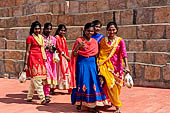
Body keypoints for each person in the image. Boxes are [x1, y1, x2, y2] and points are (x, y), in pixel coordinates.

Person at [71, 23, 107, 113]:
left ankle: (92, 105)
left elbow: (95, 54)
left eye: (91, 31)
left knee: (92, 82)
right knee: (82, 82)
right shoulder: (79, 40)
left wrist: (97, 65)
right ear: (84, 30)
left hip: (92, 64)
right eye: (88, 31)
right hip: (82, 63)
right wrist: (78, 46)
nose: (89, 32)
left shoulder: (94, 42)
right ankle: (79, 102)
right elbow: (74, 53)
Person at [97, 22, 130, 113]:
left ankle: (113, 100)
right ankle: (117, 105)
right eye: (110, 29)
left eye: (113, 30)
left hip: (118, 66)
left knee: (117, 86)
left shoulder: (120, 40)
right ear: (107, 30)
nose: (112, 31)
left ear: (116, 30)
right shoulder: (103, 41)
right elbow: (101, 53)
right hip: (106, 66)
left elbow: (124, 53)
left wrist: (126, 66)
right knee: (110, 85)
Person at [23, 21, 47, 105]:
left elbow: (43, 48)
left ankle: (29, 96)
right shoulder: (30, 38)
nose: (37, 30)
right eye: (36, 29)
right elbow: (27, 51)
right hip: (33, 59)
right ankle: (42, 98)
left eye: (39, 28)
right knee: (38, 79)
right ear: (32, 29)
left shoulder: (41, 37)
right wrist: (25, 64)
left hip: (41, 58)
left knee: (34, 79)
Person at [53, 24, 71, 93]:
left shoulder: (63, 38)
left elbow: (65, 48)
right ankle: (53, 87)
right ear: (58, 30)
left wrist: (67, 56)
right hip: (59, 57)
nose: (62, 32)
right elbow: (58, 48)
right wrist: (65, 56)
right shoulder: (56, 37)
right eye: (61, 30)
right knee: (58, 72)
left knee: (66, 71)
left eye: (64, 31)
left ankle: (67, 87)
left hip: (64, 56)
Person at [42, 23, 57, 102]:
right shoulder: (40, 38)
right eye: (47, 29)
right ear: (44, 29)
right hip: (42, 59)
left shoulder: (53, 39)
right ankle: (45, 94)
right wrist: (46, 47)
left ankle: (45, 93)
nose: (49, 30)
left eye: (50, 29)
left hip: (51, 59)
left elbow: (54, 49)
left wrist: (52, 49)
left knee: (49, 76)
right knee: (45, 76)